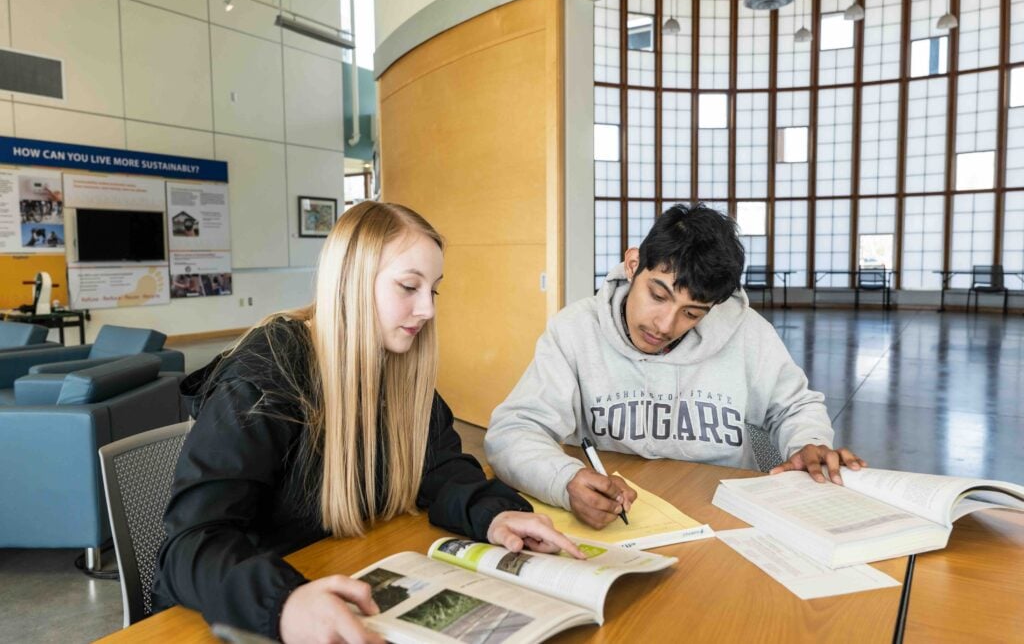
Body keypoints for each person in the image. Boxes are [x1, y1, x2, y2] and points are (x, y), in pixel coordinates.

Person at [152, 202, 582, 643]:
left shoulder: (393, 364)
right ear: (352, 284)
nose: (428, 310)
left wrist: (494, 515)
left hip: (343, 575)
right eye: (408, 287)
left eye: (433, 290)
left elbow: (438, 466)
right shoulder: (265, 376)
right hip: (250, 609)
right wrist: (283, 603)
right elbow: (194, 542)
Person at [484, 203, 866, 530]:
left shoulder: (747, 332)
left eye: (692, 313)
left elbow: (795, 406)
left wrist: (806, 443)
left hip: (721, 517)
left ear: (714, 306)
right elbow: (513, 431)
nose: (664, 325)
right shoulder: (575, 329)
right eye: (657, 295)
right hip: (620, 519)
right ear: (633, 264)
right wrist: (565, 479)